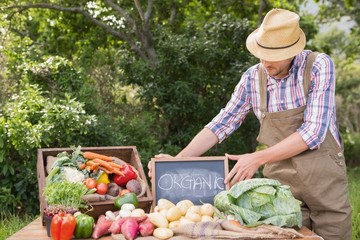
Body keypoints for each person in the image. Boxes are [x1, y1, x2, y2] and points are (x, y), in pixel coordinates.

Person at [149, 8, 352, 240]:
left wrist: (256, 158)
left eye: (273, 55)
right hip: (282, 187)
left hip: (324, 178)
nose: (265, 62)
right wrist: (178, 161)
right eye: (261, 53)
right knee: (288, 236)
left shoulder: (318, 66)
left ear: (293, 51)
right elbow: (222, 123)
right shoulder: (252, 78)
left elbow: (313, 132)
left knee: (334, 233)